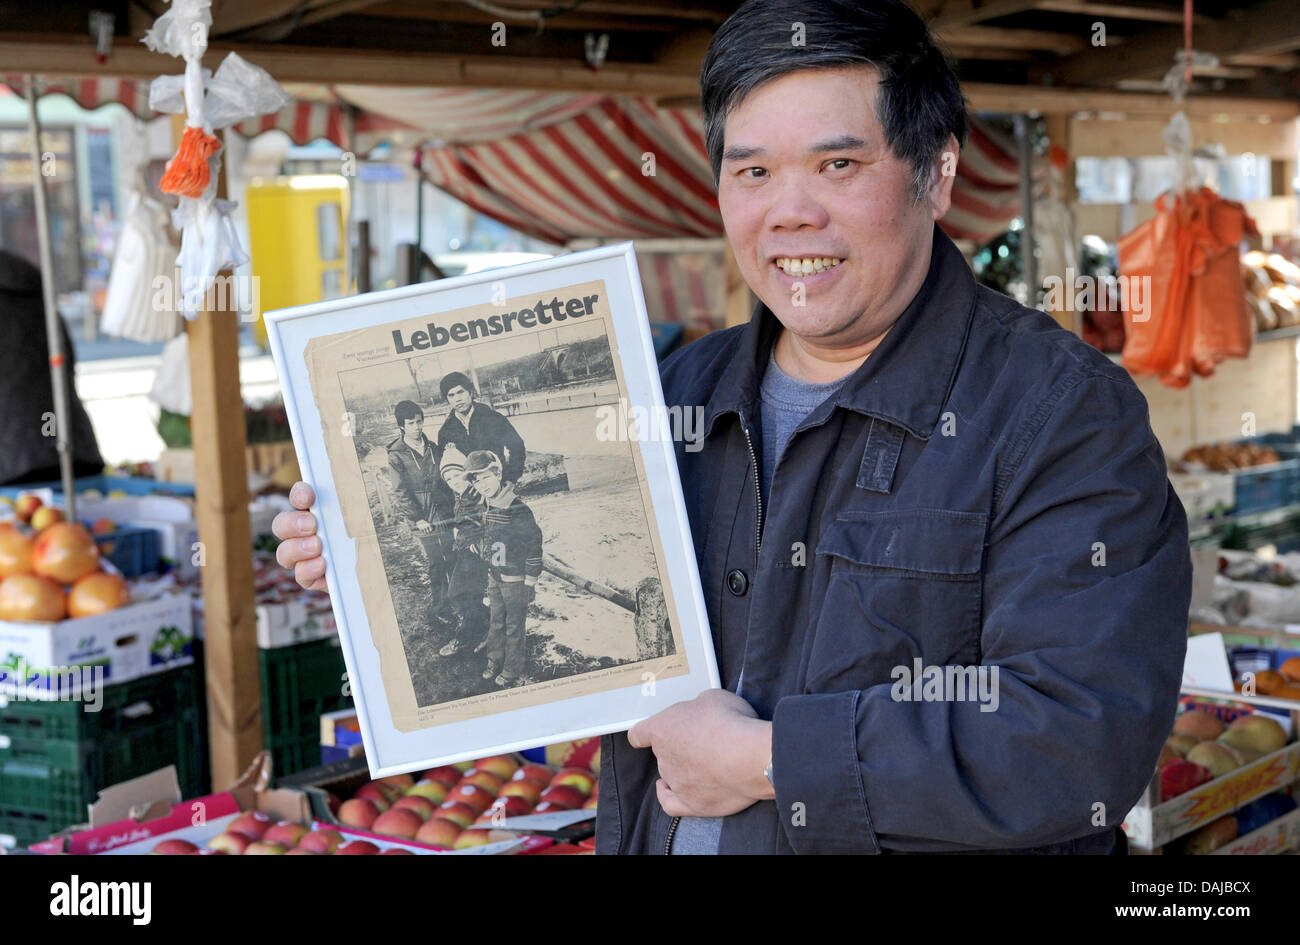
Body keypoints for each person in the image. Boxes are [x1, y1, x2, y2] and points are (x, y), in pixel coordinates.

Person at [276, 0, 1191, 854]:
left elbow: (1079, 734)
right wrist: (368, 569)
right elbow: (576, 652)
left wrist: (771, 758)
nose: (789, 210)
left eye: (838, 164)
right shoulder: (674, 392)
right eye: (752, 170)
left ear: (937, 172)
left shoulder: (1057, 414)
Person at [463, 450, 544, 688]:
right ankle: (494, 659)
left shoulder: (516, 508)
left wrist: (530, 581)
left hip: (516, 580)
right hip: (494, 576)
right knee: (496, 620)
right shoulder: (485, 505)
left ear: (498, 473)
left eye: (486, 477)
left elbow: (534, 545)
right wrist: (478, 547)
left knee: (514, 625)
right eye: (476, 481)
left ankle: (512, 668)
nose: (482, 485)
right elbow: (486, 537)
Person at [385, 400, 456, 632]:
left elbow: (445, 479)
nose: (417, 426)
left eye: (419, 421)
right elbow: (399, 492)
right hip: (422, 514)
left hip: (442, 510)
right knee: (436, 561)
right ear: (401, 426)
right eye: (411, 423)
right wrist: (417, 518)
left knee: (451, 556)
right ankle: (440, 609)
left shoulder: (433, 447)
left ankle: (457, 602)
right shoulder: (396, 455)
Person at [435, 443, 491, 658]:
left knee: (457, 593)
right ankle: (488, 627)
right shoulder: (462, 496)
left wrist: (477, 542)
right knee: (469, 596)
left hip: (476, 553)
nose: (453, 482)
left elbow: (488, 522)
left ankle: (469, 635)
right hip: (465, 550)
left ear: (466, 474)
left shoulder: (477, 495)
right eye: (448, 479)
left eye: (457, 476)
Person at [436, 372, 526, 487]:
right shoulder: (445, 432)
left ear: (470, 392)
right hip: (470, 492)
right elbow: (445, 466)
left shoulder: (493, 418)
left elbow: (517, 446)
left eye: (460, 392)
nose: (457, 399)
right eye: (451, 395)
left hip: (498, 485)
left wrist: (511, 478)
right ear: (447, 399)